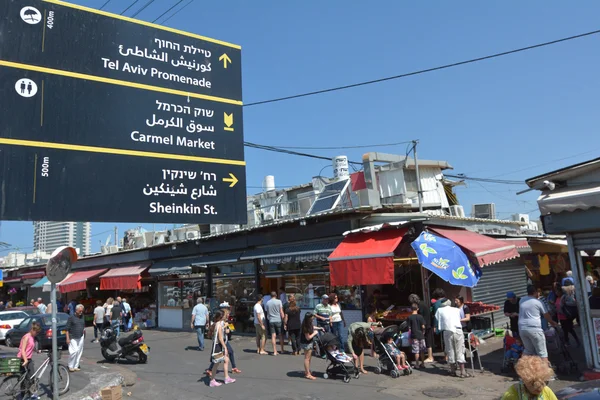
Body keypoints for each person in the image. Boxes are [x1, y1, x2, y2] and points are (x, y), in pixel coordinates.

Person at [519, 285, 558, 362]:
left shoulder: (522, 300)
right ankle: (546, 372)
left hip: (522, 329)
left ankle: (523, 368)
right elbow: (546, 315)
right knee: (542, 352)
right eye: (538, 292)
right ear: (535, 292)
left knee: (528, 351)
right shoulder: (538, 302)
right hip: (534, 329)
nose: (539, 294)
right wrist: (552, 322)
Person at [435, 298, 468, 377]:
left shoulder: (439, 310)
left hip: (447, 331)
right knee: (460, 350)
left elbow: (437, 319)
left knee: (450, 350)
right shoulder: (456, 310)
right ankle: (462, 372)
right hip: (458, 331)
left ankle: (453, 371)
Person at [207, 310, 235, 387]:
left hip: (219, 345)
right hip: (218, 346)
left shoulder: (218, 324)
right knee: (216, 364)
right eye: (225, 315)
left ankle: (226, 378)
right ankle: (212, 380)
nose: (227, 316)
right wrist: (225, 347)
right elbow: (220, 338)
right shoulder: (219, 324)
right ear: (221, 316)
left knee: (226, 360)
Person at [17, 321, 41, 398]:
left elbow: (30, 347)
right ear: (32, 330)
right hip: (23, 359)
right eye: (36, 332)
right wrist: (25, 360)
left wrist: (36, 350)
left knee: (31, 377)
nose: (36, 334)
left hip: (28, 359)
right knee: (24, 379)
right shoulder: (26, 337)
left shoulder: (32, 337)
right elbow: (23, 350)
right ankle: (23, 395)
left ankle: (30, 394)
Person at [408, 294, 434, 363]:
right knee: (426, 341)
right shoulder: (422, 303)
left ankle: (430, 357)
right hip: (427, 323)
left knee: (428, 340)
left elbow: (420, 316)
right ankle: (427, 357)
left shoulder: (421, 306)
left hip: (426, 324)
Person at [301, 312, 323, 380]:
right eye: (312, 318)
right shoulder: (305, 326)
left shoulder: (309, 323)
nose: (313, 320)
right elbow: (308, 337)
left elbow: (312, 327)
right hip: (306, 343)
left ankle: (307, 371)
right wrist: (314, 333)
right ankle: (307, 374)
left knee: (309, 358)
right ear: (309, 318)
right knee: (307, 358)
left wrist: (319, 328)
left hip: (309, 342)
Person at [66, 304, 85, 372]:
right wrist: (67, 338)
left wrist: (83, 335)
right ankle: (70, 365)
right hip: (72, 336)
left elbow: (83, 326)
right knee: (74, 351)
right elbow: (67, 329)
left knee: (79, 352)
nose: (81, 312)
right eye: (80, 311)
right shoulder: (71, 317)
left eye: (82, 311)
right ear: (76, 310)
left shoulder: (82, 317)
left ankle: (76, 365)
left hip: (80, 336)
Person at [408, 303, 426, 368]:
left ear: (411, 309)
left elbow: (409, 328)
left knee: (416, 351)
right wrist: (423, 332)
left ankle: (417, 364)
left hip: (414, 335)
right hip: (421, 335)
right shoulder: (420, 317)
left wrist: (409, 336)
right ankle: (423, 363)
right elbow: (423, 326)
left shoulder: (409, 317)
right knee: (422, 350)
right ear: (417, 309)